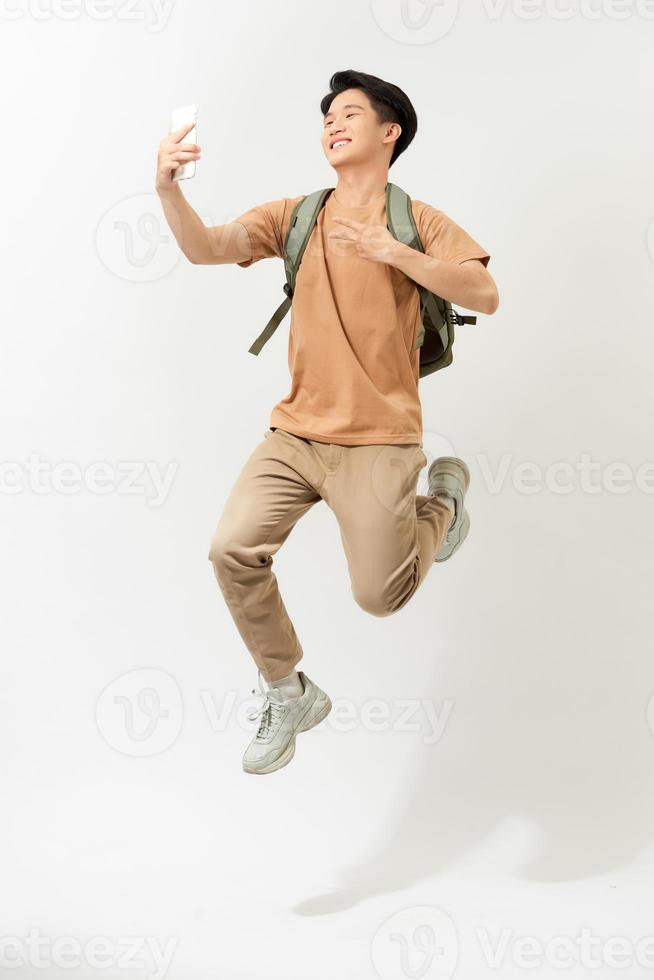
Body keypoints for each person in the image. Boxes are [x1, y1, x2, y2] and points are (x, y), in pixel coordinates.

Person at [155, 69, 499, 775]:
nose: (332, 126)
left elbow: (485, 292)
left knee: (380, 595)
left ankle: (444, 502)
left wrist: (396, 254)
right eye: (326, 119)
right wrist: (167, 188)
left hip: (380, 441)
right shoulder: (297, 215)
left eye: (349, 114)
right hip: (295, 436)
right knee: (232, 549)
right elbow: (206, 248)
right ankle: (288, 689)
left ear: (389, 131)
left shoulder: (418, 220)